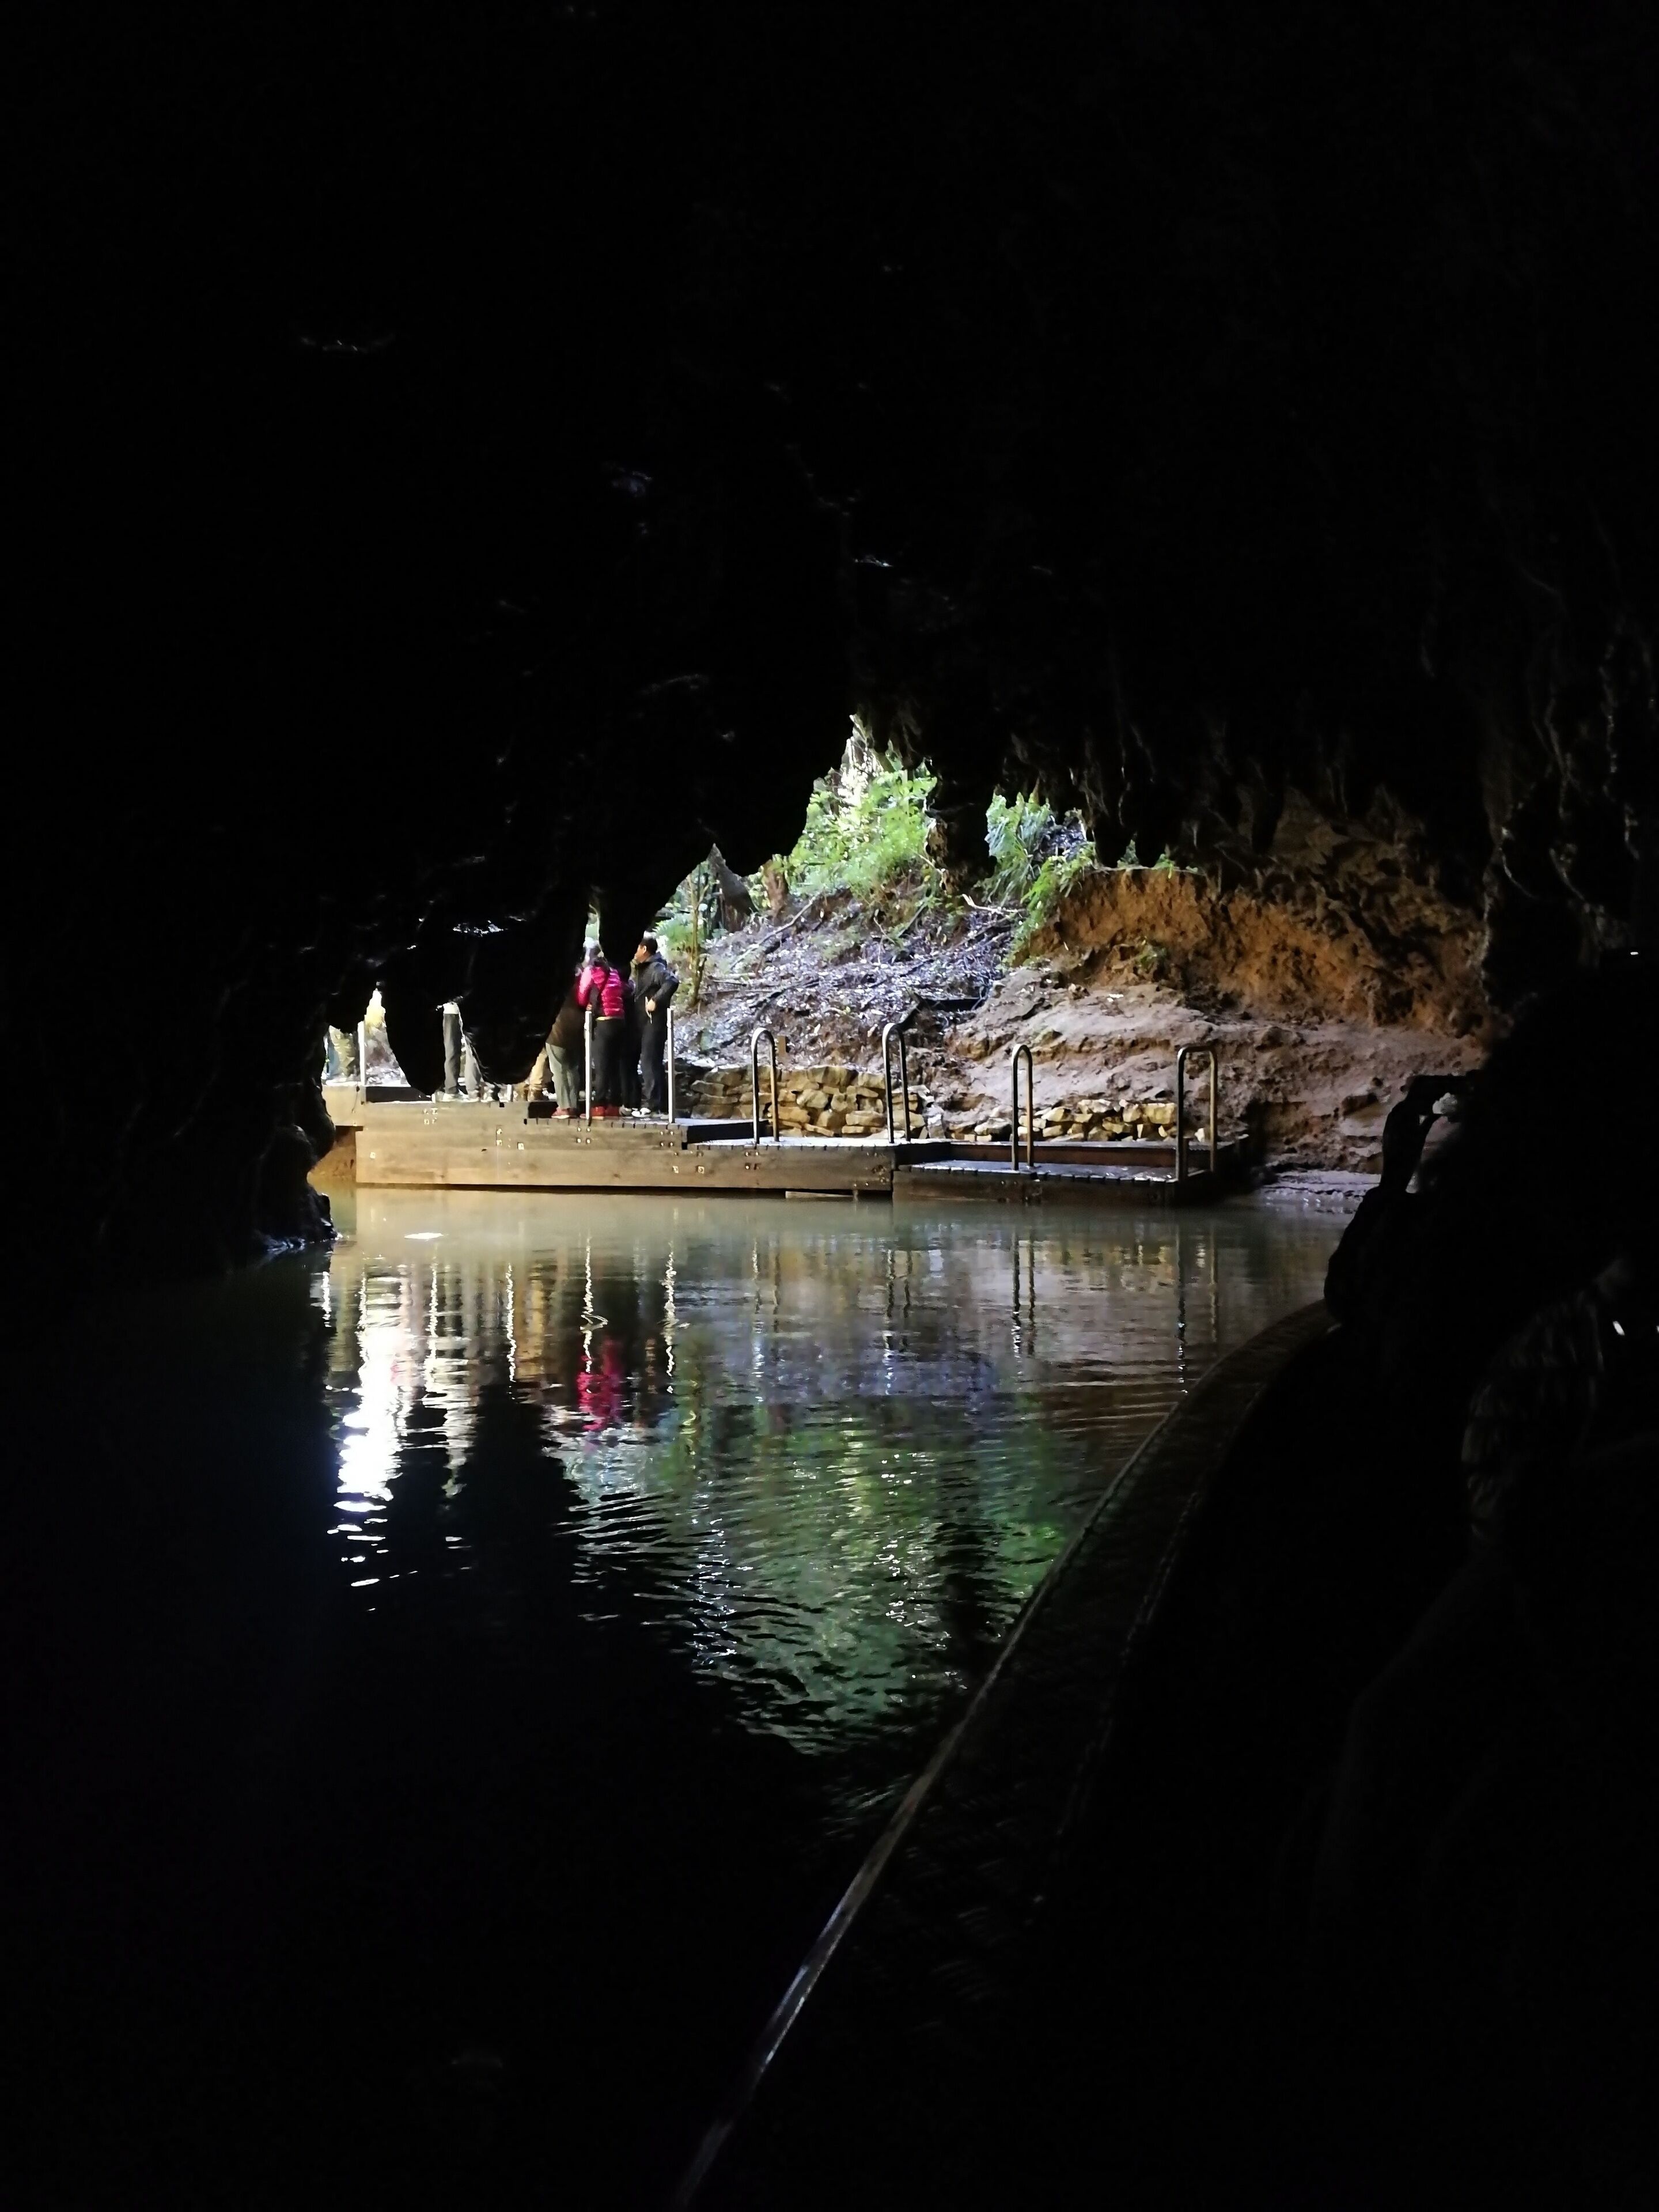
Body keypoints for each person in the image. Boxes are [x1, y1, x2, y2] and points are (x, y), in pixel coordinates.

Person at [577, 941, 627, 1116]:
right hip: (619, 1021)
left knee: (602, 1065)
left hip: (603, 1020)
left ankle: (599, 1105)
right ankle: (615, 1105)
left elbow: (582, 997)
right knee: (614, 1064)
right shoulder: (614, 972)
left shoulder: (590, 972)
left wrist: (589, 1004)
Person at [631, 933, 679, 1114]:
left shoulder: (656, 967)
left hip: (654, 1022)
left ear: (644, 949)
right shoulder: (643, 968)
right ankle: (661, 1105)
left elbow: (672, 981)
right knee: (652, 1062)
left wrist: (656, 1001)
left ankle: (651, 1105)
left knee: (649, 1062)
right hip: (644, 1023)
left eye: (636, 947)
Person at [541, 972, 586, 1116]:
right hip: (576, 1027)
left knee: (559, 1069)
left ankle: (564, 1106)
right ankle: (573, 1105)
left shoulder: (552, 981)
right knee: (573, 1068)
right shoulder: (581, 978)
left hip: (557, 1029)